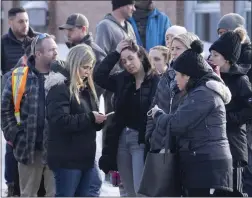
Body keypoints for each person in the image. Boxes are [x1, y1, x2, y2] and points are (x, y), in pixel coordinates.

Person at [150, 40, 233, 197]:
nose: (175, 80)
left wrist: (158, 115)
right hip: (201, 163)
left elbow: (177, 124)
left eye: (177, 76)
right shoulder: (196, 92)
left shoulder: (203, 94)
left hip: (207, 167)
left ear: (187, 76)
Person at [94, 39, 159, 196]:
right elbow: (99, 76)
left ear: (141, 56)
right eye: (123, 61)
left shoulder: (155, 80)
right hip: (122, 138)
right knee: (127, 191)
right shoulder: (122, 79)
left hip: (141, 140)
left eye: (131, 58)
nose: (128, 63)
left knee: (140, 190)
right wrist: (115, 53)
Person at [45, 44, 106, 197]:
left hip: (85, 157)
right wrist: (91, 117)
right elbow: (60, 121)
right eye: (85, 67)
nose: (88, 71)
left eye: (90, 67)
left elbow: (89, 120)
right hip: (67, 159)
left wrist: (99, 120)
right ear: (74, 63)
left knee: (92, 190)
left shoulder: (85, 88)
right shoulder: (59, 87)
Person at [1, 33, 57, 197]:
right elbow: (5, 110)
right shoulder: (18, 76)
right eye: (52, 50)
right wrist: (17, 137)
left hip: (56, 150)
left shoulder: (63, 76)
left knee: (55, 194)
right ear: (38, 54)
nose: (56, 52)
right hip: (28, 150)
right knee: (27, 194)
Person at [57, 13, 107, 196]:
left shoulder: (92, 51)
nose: (67, 34)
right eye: (66, 30)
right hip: (74, 139)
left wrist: (89, 108)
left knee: (91, 186)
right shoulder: (76, 50)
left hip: (84, 132)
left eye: (71, 30)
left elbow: (98, 87)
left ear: (83, 29)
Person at [95, 0, 136, 191]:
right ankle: (111, 168)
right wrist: (117, 77)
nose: (134, 9)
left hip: (130, 83)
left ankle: (125, 165)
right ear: (121, 5)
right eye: (131, 5)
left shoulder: (128, 26)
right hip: (114, 86)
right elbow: (100, 55)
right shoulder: (105, 26)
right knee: (112, 126)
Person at [209, 27, 252, 197]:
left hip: (234, 143)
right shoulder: (209, 77)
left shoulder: (240, 80)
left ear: (226, 59)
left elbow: (249, 109)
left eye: (215, 55)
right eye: (210, 54)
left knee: (234, 190)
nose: (210, 58)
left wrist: (229, 119)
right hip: (214, 144)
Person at [1, 7, 38, 197]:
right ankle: (12, 185)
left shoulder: (39, 40)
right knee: (11, 144)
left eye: (27, 20)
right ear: (10, 22)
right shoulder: (3, 44)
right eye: (20, 21)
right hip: (12, 103)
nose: (25, 25)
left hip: (34, 102)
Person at [145, 32, 200, 152]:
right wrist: (150, 135)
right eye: (172, 48)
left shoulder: (198, 78)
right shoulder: (166, 77)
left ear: (191, 49)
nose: (174, 52)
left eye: (178, 48)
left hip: (185, 147)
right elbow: (153, 108)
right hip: (160, 145)